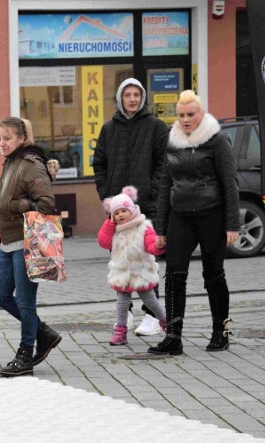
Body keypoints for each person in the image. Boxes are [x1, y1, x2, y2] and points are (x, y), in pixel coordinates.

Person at [150, 90, 240, 356]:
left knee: (214, 274)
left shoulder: (217, 140)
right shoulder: (172, 141)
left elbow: (230, 184)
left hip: (212, 214)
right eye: (181, 115)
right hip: (181, 216)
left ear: (201, 114)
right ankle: (174, 337)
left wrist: (232, 225)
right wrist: (161, 229)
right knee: (175, 274)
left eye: (191, 114)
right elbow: (165, 185)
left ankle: (220, 332)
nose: (186, 120)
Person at [93, 78, 170, 337]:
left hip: (146, 206)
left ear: (143, 97)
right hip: (117, 209)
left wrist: (155, 189)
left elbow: (164, 162)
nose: (133, 99)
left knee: (146, 258)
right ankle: (126, 311)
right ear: (120, 98)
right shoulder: (108, 129)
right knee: (120, 259)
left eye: (137, 94)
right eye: (128, 95)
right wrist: (106, 196)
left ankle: (152, 314)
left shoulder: (156, 127)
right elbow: (99, 164)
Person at [0, 116, 61, 377]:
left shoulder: (30, 164)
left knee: (25, 300)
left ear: (22, 139)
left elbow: (46, 203)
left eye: (7, 138)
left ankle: (25, 354)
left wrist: (14, 206)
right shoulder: (11, 163)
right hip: (7, 241)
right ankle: (43, 332)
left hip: (27, 240)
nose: (2, 143)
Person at [97, 186, 167, 346]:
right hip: (122, 273)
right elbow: (103, 242)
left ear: (132, 210)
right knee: (122, 303)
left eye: (123, 211)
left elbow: (150, 244)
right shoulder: (114, 230)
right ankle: (120, 332)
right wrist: (109, 223)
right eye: (116, 213)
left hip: (140, 271)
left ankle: (166, 323)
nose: (120, 215)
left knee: (151, 301)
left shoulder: (143, 226)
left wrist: (158, 246)